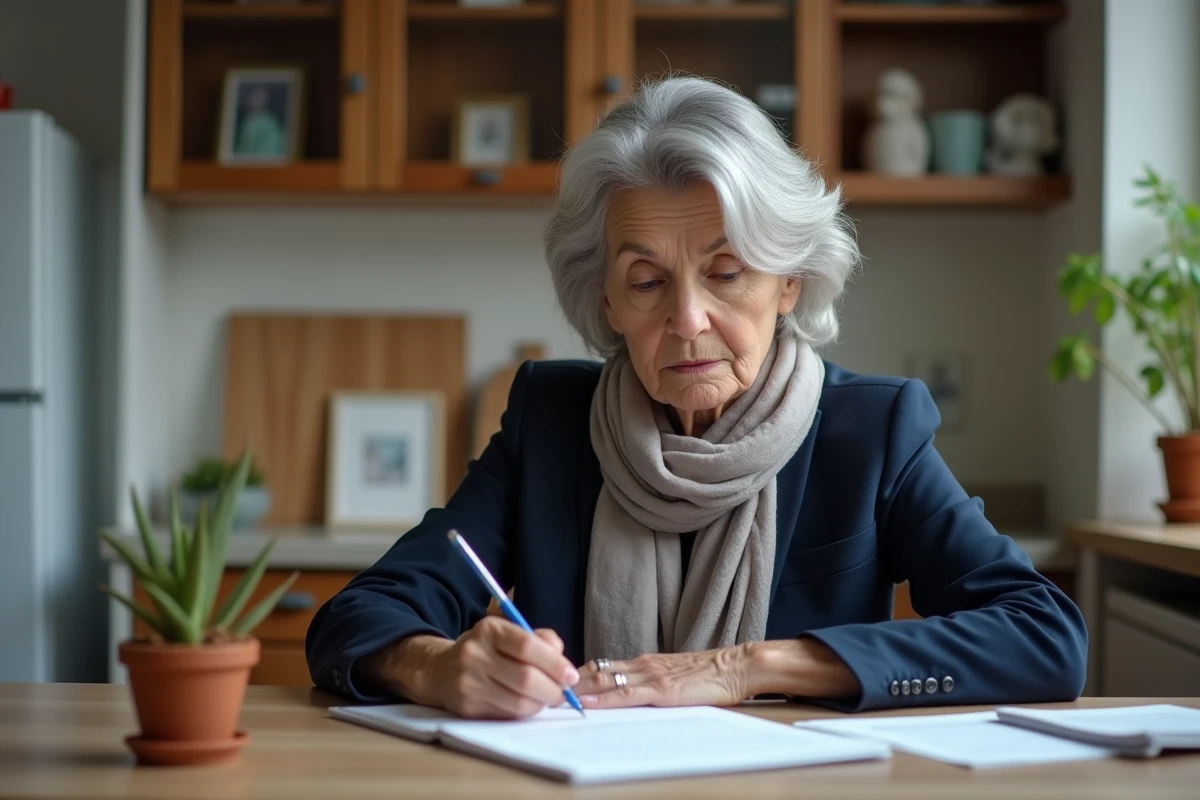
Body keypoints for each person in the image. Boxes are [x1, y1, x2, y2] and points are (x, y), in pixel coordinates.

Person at [305, 77, 1086, 719]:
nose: (686, 321)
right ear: (607, 303)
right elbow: (357, 617)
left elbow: (1044, 638)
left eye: (726, 272)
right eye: (646, 281)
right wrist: (435, 667)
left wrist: (745, 667)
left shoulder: (871, 430)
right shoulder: (550, 422)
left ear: (788, 282)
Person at [234, 85, 287, 158]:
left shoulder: (269, 120)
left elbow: (274, 143)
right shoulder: (246, 119)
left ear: (265, 100)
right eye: (253, 97)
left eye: (259, 98)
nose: (255, 100)